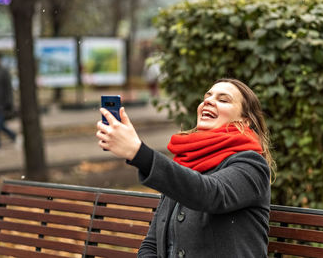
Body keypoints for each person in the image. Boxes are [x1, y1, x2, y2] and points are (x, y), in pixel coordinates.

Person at [96, 78, 275, 257]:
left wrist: (138, 152)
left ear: (245, 121)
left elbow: (211, 193)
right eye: (207, 96)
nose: (208, 101)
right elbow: (151, 244)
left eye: (223, 99)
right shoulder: (186, 161)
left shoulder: (252, 164)